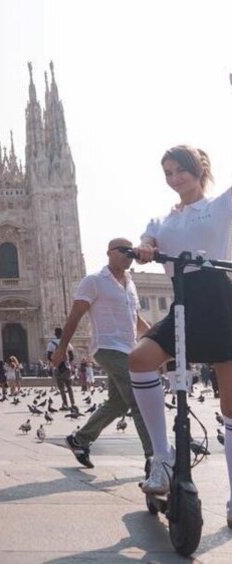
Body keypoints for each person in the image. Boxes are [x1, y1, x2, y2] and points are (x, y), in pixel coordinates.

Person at [126, 146, 232, 527]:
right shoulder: (161, 219)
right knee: (139, 359)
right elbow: (148, 243)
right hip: (182, 300)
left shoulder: (220, 206)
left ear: (198, 168)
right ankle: (163, 457)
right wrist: (145, 250)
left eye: (179, 170)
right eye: (168, 173)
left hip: (218, 296)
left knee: (231, 406)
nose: (174, 178)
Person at [51, 237, 153, 469]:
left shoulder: (130, 283)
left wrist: (157, 342)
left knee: (118, 404)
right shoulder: (94, 281)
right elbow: (75, 315)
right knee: (138, 399)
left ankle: (79, 440)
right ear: (109, 253)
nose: (129, 254)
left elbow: (136, 320)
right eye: (123, 250)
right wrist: (61, 348)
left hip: (130, 349)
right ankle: (154, 458)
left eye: (131, 251)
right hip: (107, 348)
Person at [47, 328, 75, 409]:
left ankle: (65, 404)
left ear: (55, 334)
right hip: (66, 367)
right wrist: (67, 362)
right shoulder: (67, 343)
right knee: (69, 387)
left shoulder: (51, 344)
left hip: (58, 368)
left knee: (61, 388)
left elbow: (49, 356)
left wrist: (55, 362)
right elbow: (72, 356)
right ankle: (73, 403)